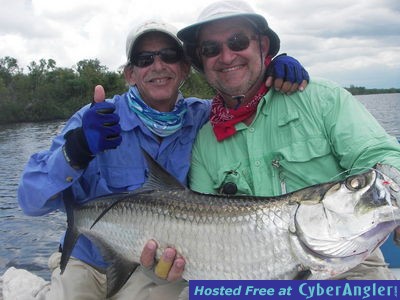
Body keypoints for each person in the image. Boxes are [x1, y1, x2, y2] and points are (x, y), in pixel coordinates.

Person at [17, 18, 309, 299]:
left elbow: (243, 104)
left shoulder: (205, 117)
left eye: (169, 56)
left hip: (153, 265)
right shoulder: (96, 119)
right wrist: (77, 150)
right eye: (145, 59)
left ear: (184, 69)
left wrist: (271, 75)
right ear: (130, 74)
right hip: (86, 259)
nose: (158, 66)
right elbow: (30, 202)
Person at [178, 0, 400, 280]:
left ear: (263, 46)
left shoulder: (323, 99)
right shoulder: (206, 141)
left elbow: (386, 160)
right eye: (211, 49)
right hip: (246, 272)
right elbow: (202, 223)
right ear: (202, 61)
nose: (226, 56)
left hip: (351, 267)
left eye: (238, 41)